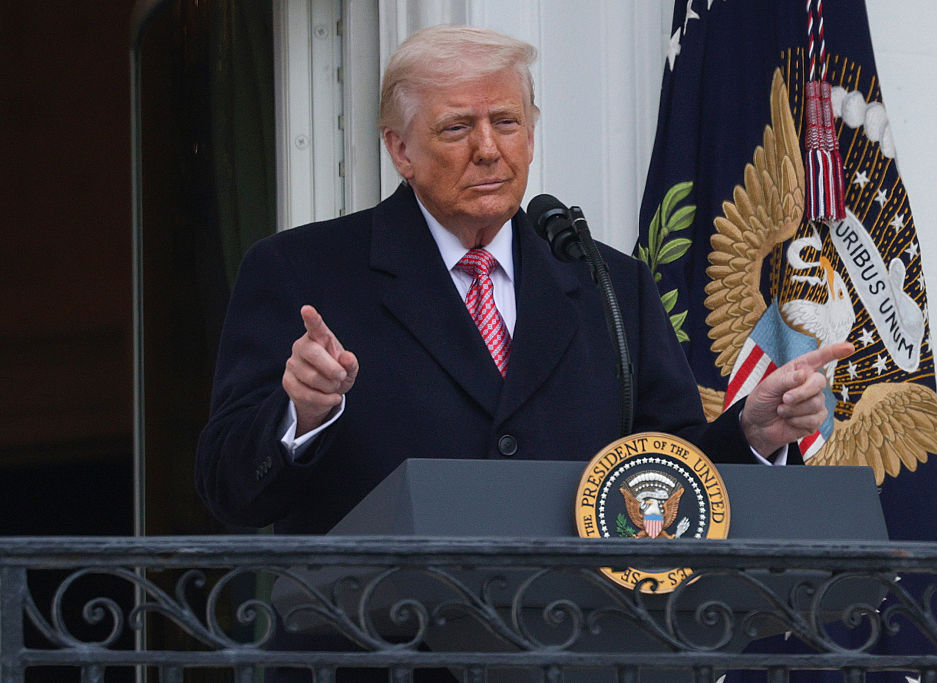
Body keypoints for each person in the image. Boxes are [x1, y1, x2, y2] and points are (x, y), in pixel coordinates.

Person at [195, 25, 851, 536]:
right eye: (457, 127)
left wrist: (753, 433)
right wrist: (302, 415)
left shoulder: (609, 284)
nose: (488, 148)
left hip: (569, 644)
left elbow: (666, 467)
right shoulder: (301, 271)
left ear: (532, 134)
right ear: (400, 149)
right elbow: (229, 488)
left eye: (506, 122)